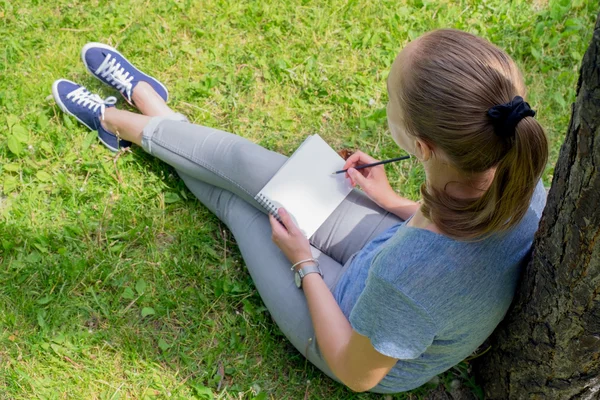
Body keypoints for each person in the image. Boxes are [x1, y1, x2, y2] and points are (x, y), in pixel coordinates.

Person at [51, 29, 548, 393]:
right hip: (388, 254)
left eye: (391, 99)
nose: (387, 103)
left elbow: (357, 372)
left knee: (239, 207)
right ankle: (148, 108)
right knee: (241, 165)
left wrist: (303, 262)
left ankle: (116, 119)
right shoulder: (514, 166)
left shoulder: (407, 279)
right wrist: (391, 201)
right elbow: (452, 230)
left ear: (421, 146)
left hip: (348, 329)